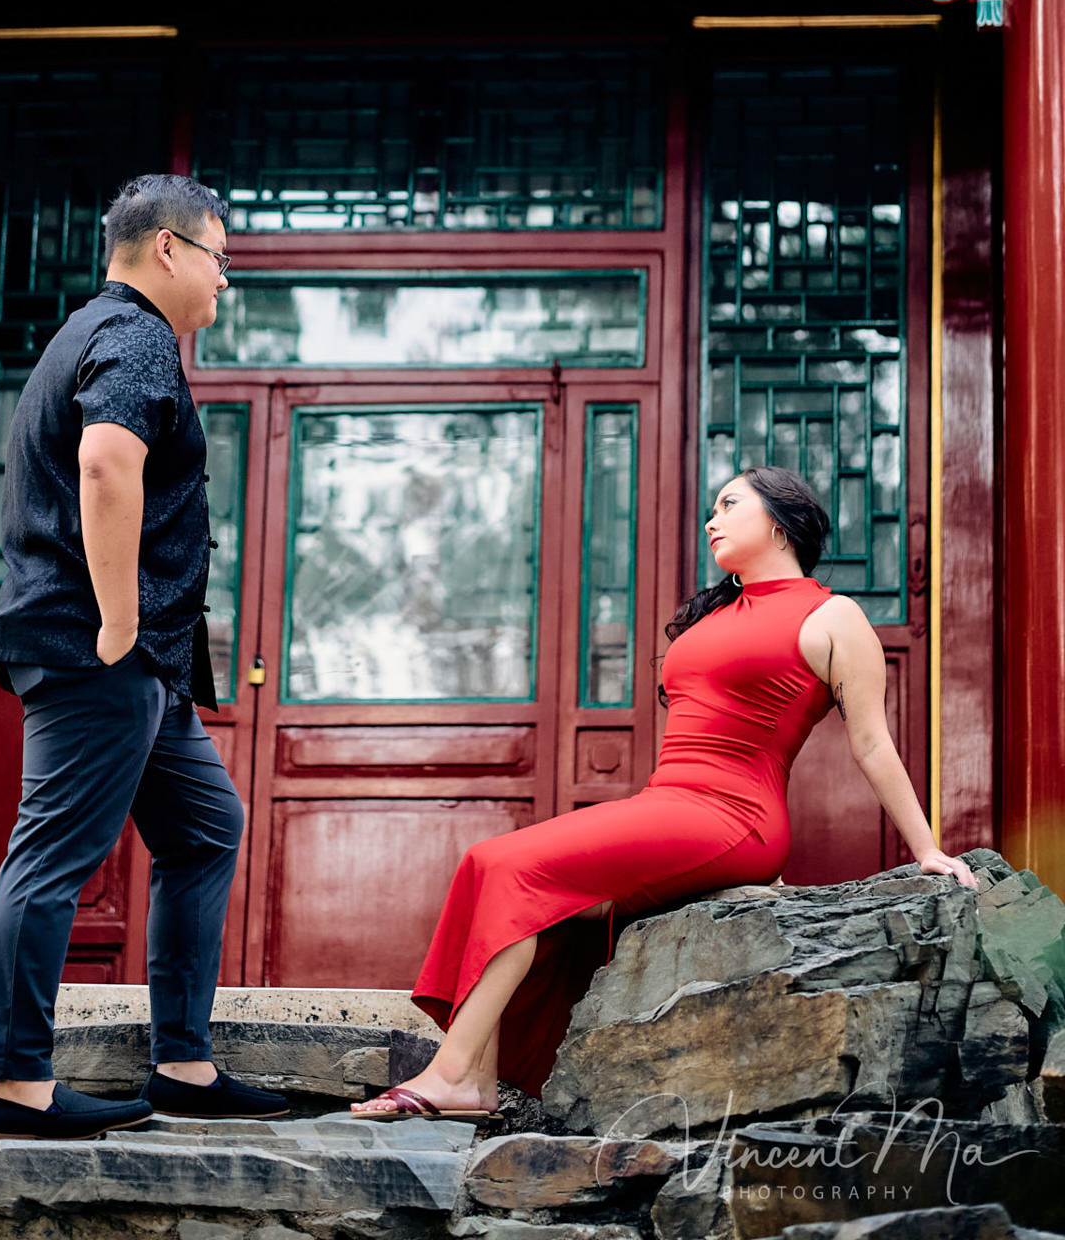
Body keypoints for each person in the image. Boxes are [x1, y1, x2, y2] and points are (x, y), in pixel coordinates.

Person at [350, 465, 980, 1125]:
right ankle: (473, 1082)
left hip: (733, 816)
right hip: (669, 804)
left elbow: (873, 744)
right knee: (493, 868)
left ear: (780, 522)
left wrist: (927, 849)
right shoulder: (716, 612)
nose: (712, 519)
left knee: (511, 865)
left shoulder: (833, 616)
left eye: (729, 504)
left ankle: (449, 1073)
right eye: (712, 507)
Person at [0, 173, 289, 1141]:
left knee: (205, 824)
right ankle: (18, 1086)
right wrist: (115, 624)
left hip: (145, 664)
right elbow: (107, 463)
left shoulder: (92, 333)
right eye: (219, 261)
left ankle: (182, 1064)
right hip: (99, 652)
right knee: (52, 855)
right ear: (168, 250)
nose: (223, 285)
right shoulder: (134, 336)